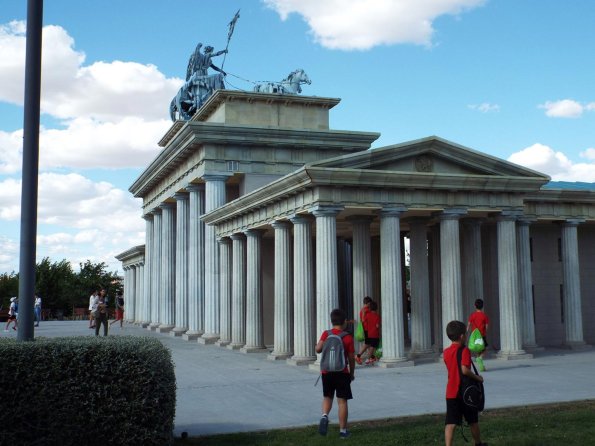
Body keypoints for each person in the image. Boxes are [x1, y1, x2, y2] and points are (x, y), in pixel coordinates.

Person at [444, 320, 486, 446]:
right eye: (466, 335)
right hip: (465, 392)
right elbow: (464, 370)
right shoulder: (465, 351)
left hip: (451, 392)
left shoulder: (446, 352)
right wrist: (478, 378)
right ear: (462, 336)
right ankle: (478, 443)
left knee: (450, 423)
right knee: (473, 421)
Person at [315, 308, 355, 439]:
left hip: (327, 372)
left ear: (332, 321)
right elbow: (351, 358)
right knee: (342, 402)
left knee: (327, 397)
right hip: (341, 372)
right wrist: (351, 373)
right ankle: (343, 431)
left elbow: (318, 349)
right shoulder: (347, 337)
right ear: (344, 322)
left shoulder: (326, 334)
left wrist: (322, 343)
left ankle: (324, 416)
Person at [467, 299, 489, 371]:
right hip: (482, 334)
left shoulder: (472, 315)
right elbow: (486, 326)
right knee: (484, 349)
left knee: (478, 349)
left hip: (474, 335)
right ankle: (480, 358)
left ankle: (481, 366)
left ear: (475, 306)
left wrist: (467, 332)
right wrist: (485, 332)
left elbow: (469, 325)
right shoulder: (484, 316)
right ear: (482, 306)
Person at [355, 296, 373, 365]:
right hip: (367, 328)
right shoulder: (366, 310)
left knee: (369, 344)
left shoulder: (362, 309)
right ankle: (358, 356)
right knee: (367, 344)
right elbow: (363, 319)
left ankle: (370, 357)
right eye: (370, 303)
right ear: (368, 303)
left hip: (366, 328)